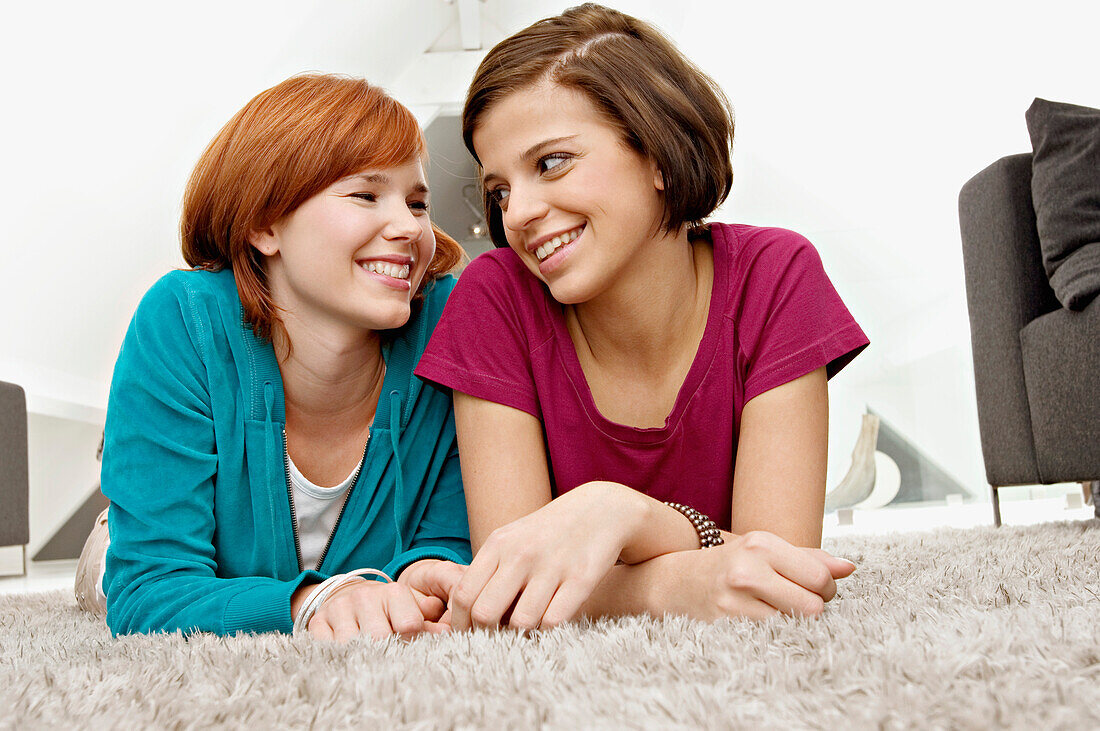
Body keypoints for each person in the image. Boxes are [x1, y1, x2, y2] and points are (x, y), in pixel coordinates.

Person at [415, 3, 869, 631]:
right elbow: (509, 590)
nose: (515, 214)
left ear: (658, 152)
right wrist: (676, 580)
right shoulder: (495, 297)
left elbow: (780, 577)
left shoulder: (776, 274)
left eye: (551, 162)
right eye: (498, 189)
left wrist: (618, 516)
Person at [74, 74, 471, 641]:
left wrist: (424, 569)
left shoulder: (449, 329)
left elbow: (448, 530)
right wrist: (311, 602)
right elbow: (150, 591)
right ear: (265, 224)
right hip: (151, 540)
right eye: (365, 194)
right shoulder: (181, 317)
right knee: (107, 566)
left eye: (418, 202)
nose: (410, 227)